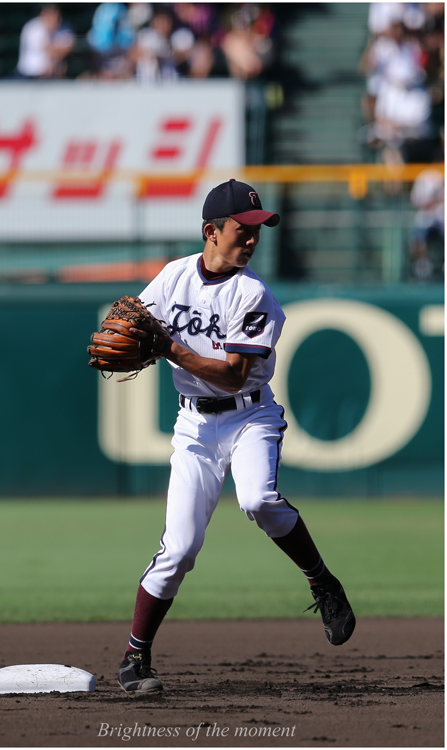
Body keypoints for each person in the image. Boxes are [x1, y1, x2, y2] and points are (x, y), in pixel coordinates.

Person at [117, 179, 356, 694]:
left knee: (259, 499)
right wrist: (134, 338)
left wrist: (168, 348)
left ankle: (322, 580)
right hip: (195, 426)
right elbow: (134, 322)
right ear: (211, 231)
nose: (251, 239)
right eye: (242, 230)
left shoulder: (253, 294)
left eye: (258, 231)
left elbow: (229, 374)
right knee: (180, 548)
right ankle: (136, 657)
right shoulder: (173, 276)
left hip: (250, 417)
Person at [16, 4, 75, 79]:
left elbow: (69, 48)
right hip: (29, 76)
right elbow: (48, 49)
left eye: (57, 15)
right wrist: (59, 50)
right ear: (43, 14)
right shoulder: (33, 27)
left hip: (53, 76)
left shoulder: (65, 27)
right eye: (51, 14)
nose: (54, 18)